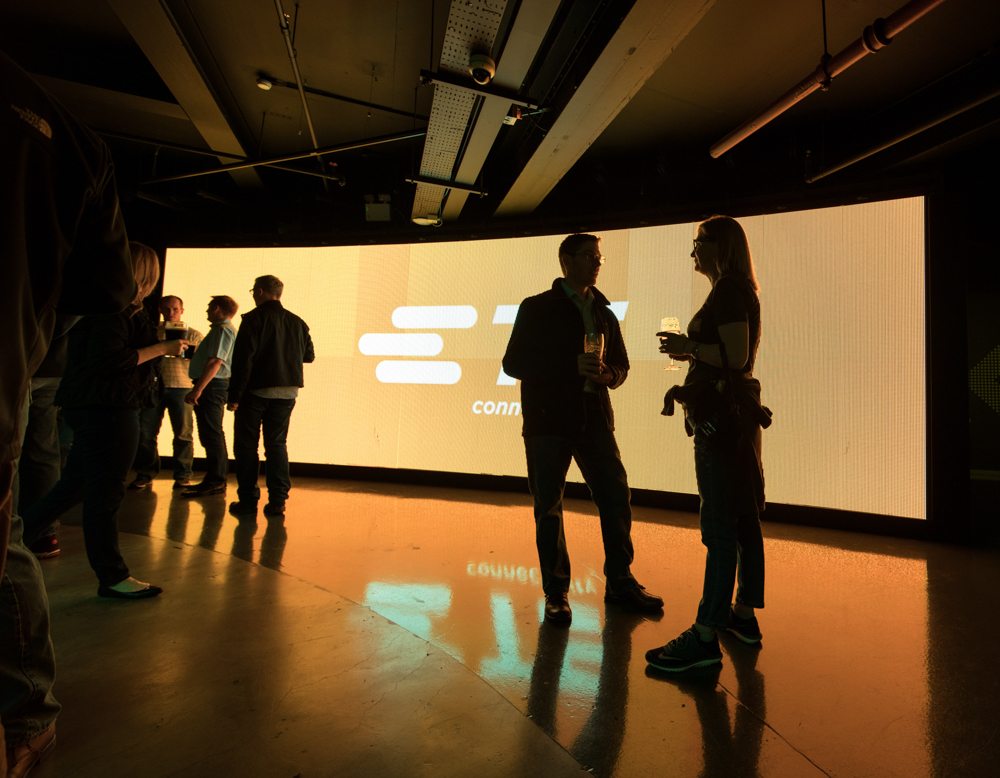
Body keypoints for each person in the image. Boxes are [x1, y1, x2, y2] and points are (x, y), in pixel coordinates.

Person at [0, 48, 135, 776]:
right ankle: (28, 714)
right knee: (37, 511)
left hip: (52, 389)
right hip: (25, 378)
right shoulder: (69, 136)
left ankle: (30, 713)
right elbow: (100, 294)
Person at [502, 233, 663, 625]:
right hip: (548, 420)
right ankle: (556, 593)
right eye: (589, 256)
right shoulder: (537, 307)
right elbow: (514, 363)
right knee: (549, 507)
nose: (597, 263)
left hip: (595, 418)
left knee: (615, 495)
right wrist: (568, 367)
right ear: (566, 260)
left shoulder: (604, 312)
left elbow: (622, 365)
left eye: (599, 257)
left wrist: (609, 375)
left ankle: (620, 581)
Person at [23, 243, 189, 601]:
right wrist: (163, 349)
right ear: (145, 275)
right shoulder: (114, 311)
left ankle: (14, 545)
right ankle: (112, 576)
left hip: (97, 406)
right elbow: (112, 361)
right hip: (109, 409)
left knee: (73, 488)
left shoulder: (108, 307)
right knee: (105, 493)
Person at [646, 215, 771, 673]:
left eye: (699, 242)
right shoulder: (734, 290)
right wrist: (691, 350)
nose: (692, 251)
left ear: (722, 246)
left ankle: (704, 637)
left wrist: (691, 347)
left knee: (719, 527)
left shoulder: (729, 291)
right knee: (742, 518)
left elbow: (735, 357)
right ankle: (742, 616)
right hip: (733, 419)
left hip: (721, 422)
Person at [227, 276, 314, 520]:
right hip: (287, 392)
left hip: (255, 391)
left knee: (246, 445)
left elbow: (243, 361)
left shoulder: (253, 319)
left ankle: (248, 500)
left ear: (260, 292)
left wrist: (234, 396)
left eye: (253, 291)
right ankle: (277, 501)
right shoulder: (297, 322)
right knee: (276, 444)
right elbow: (309, 356)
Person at [129, 295, 203, 490]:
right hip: (153, 387)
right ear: (160, 310)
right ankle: (145, 473)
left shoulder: (193, 335)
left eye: (175, 309)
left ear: (182, 310)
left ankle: (183, 475)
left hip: (182, 386)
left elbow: (202, 362)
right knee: (146, 433)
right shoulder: (151, 333)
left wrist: (187, 352)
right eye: (167, 309)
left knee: (183, 434)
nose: (171, 313)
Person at [181, 296, 238, 498]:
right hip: (212, 386)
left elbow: (216, 362)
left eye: (209, 307)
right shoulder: (221, 330)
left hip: (212, 387)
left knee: (211, 433)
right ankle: (214, 479)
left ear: (217, 309)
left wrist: (198, 389)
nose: (206, 311)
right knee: (210, 432)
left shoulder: (223, 330)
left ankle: (216, 480)